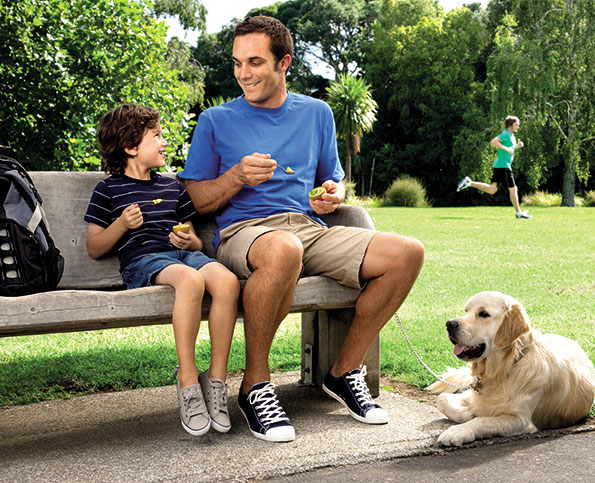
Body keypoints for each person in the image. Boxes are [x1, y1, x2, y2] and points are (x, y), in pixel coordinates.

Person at [178, 15, 425, 443]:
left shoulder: (317, 114)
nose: (243, 74)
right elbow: (197, 200)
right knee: (283, 249)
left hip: (309, 228)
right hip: (244, 233)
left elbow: (333, 179)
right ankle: (255, 385)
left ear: (284, 63)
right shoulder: (215, 120)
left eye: (254, 62)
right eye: (237, 63)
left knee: (408, 253)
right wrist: (236, 176)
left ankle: (345, 370)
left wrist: (334, 193)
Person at [84, 104, 240, 437]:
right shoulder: (108, 190)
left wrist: (190, 243)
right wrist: (122, 224)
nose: (165, 142)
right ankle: (187, 379)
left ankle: (215, 381)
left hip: (181, 255)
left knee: (227, 281)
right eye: (157, 135)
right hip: (144, 262)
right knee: (190, 279)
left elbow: (195, 238)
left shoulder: (172, 187)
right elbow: (95, 247)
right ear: (131, 147)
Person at [457, 116, 532, 219]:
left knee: (492, 189)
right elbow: (493, 141)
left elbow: (510, 149)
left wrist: (517, 146)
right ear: (510, 125)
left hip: (500, 165)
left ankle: (469, 182)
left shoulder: (511, 135)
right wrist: (506, 148)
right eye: (516, 124)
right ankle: (518, 213)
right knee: (513, 189)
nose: (518, 126)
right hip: (503, 166)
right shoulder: (505, 134)